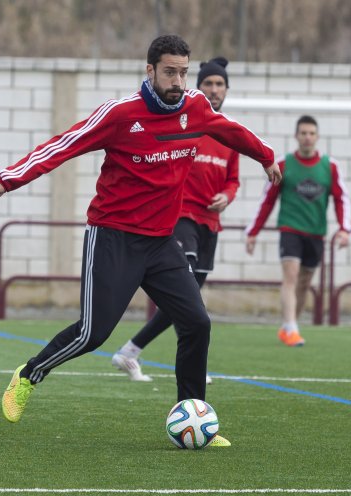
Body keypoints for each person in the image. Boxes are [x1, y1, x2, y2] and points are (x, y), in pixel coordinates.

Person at [0, 35, 280, 448]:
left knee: (197, 323)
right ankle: (29, 374)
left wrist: (265, 156)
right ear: (149, 70)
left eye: (184, 72)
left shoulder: (195, 109)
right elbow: (61, 146)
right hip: (113, 237)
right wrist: (5, 179)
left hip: (160, 242)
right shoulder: (121, 114)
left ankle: (193, 416)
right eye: (170, 72)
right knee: (92, 334)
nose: (178, 81)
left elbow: (233, 132)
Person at [111, 57, 239, 384]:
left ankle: (131, 351)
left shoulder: (228, 134)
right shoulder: (186, 123)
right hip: (181, 217)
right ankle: (142, 353)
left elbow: (233, 179)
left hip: (209, 224)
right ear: (197, 85)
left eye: (219, 84)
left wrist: (228, 194)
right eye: (208, 83)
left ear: (226, 90)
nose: (213, 89)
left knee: (190, 296)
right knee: (189, 293)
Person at [245, 115, 351, 346]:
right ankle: (291, 327)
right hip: (290, 229)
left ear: (317, 137)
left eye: (311, 133)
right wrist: (253, 232)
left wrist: (344, 229)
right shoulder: (283, 164)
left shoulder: (330, 166)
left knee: (304, 283)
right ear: (296, 136)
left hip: (316, 232)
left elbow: (341, 199)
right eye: (303, 133)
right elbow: (267, 200)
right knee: (290, 277)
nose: (307, 137)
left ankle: (288, 326)